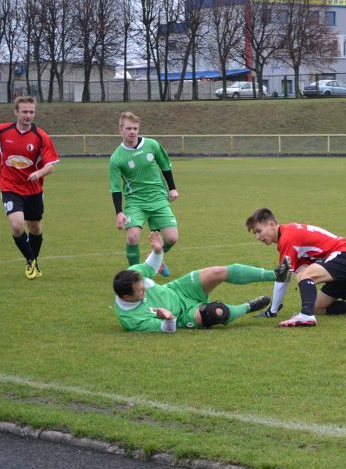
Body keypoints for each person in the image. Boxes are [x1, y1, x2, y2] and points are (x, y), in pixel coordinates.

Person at [113, 231, 291, 333]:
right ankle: (248, 306)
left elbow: (150, 267)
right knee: (216, 313)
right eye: (140, 291)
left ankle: (275, 274)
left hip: (178, 289)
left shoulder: (134, 275)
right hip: (183, 315)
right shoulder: (131, 320)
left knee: (217, 271)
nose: (144, 288)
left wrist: (158, 251)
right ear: (127, 297)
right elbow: (168, 329)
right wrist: (167, 318)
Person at [245, 208, 346, 328]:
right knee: (318, 307)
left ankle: (306, 315)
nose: (257, 237)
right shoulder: (289, 235)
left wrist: (272, 311)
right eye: (255, 233)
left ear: (272, 224)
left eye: (259, 231)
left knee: (304, 275)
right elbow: (292, 271)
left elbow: (283, 277)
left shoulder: (288, 237)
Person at [0, 96, 59, 279]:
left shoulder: (41, 136)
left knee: (35, 228)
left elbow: (51, 165)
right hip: (9, 186)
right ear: (16, 112)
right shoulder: (2, 130)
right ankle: (31, 260)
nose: (28, 115)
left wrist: (39, 174)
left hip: (33, 189)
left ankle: (33, 260)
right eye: (24, 111)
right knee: (17, 226)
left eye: (31, 112)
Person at [109, 112, 179, 277]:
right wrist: (119, 212)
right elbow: (115, 187)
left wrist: (172, 188)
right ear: (120, 130)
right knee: (132, 237)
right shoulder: (116, 158)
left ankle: (153, 257)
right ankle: (136, 275)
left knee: (172, 238)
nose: (132, 132)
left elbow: (165, 165)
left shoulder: (152, 145)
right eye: (128, 128)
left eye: (135, 128)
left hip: (157, 198)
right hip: (135, 202)